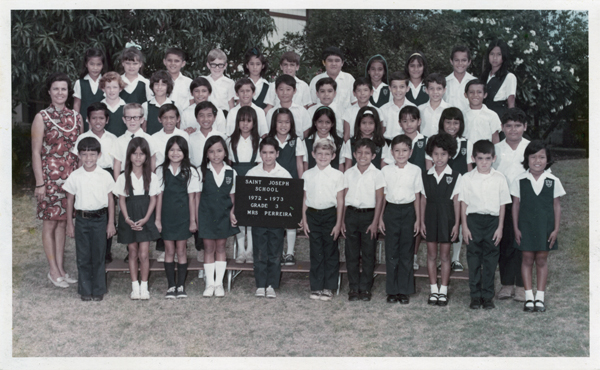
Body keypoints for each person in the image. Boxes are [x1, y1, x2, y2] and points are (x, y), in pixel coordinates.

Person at [32, 72, 83, 288]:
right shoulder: (41, 117)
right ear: (49, 92)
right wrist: (40, 183)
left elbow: (80, 150)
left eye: (63, 89)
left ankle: (61, 268)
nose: (60, 93)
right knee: (50, 223)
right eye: (56, 89)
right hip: (50, 177)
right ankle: (52, 270)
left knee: (63, 223)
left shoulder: (76, 117)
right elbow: (35, 152)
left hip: (70, 177)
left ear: (68, 92)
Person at [511, 141, 565, 313]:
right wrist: (516, 228)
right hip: (525, 226)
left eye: (541, 157)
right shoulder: (519, 180)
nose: (537, 161)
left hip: (545, 227)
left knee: (541, 260)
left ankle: (539, 297)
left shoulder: (553, 180)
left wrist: (556, 229)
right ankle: (528, 297)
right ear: (527, 159)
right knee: (526, 259)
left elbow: (556, 206)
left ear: (547, 159)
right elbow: (515, 206)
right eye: (533, 157)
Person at [459, 140, 511, 310]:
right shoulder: (467, 178)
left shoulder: (499, 178)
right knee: (473, 258)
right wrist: (465, 227)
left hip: (492, 222)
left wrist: (500, 227)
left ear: (494, 158)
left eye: (487, 158)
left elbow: (503, 204)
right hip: (473, 220)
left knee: (490, 259)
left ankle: (487, 296)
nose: (484, 162)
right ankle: (475, 296)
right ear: (473, 158)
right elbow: (464, 204)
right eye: (480, 158)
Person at [64, 137, 116, 301]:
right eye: (84, 155)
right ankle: (85, 290)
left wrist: (110, 223)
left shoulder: (104, 175)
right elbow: (70, 200)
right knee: (83, 255)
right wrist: (69, 225)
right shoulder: (75, 176)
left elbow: (110, 200)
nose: (88, 159)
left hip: (100, 219)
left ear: (99, 155)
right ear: (79, 155)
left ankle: (98, 289)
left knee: (99, 255)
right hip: (82, 220)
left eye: (92, 154)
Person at [379, 135, 423, 304]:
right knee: (391, 252)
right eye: (397, 150)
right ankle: (392, 290)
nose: (401, 154)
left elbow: (417, 196)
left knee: (406, 252)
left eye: (404, 150)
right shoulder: (386, 170)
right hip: (391, 211)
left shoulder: (415, 170)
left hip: (408, 211)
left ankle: (404, 290)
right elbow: (382, 196)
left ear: (410, 152)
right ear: (391, 152)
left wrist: (418, 219)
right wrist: (381, 218)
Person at [115, 137, 161, 300]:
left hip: (145, 216)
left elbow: (154, 199)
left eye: (142, 154)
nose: (138, 157)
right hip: (129, 217)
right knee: (133, 252)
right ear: (129, 156)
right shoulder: (123, 176)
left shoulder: (152, 177)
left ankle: (144, 286)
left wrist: (147, 218)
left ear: (146, 156)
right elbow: (121, 199)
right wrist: (127, 218)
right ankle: (134, 287)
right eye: (134, 153)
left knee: (143, 254)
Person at [246, 137, 293, 298]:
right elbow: (246, 198)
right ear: (260, 154)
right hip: (258, 221)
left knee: (274, 252)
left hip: (276, 222)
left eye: (271, 152)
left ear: (277, 154)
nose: (268, 156)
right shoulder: (252, 173)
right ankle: (260, 284)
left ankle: (272, 284)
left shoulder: (284, 174)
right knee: (259, 252)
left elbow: (289, 200)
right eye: (264, 152)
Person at [72, 102, 118, 263]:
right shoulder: (82, 138)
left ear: (107, 120)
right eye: (94, 118)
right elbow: (79, 163)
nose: (97, 121)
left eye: (101, 118)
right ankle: (90, 250)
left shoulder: (112, 138)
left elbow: (116, 163)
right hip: (86, 174)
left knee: (106, 212)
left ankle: (105, 251)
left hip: (106, 175)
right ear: (87, 120)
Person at [155, 136, 200, 299]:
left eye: (179, 150)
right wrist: (158, 219)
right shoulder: (160, 170)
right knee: (169, 250)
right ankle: (171, 286)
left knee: (181, 250)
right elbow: (158, 196)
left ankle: (180, 285)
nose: (175, 153)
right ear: (167, 152)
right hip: (167, 216)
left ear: (185, 152)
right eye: (172, 149)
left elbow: (192, 198)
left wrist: (193, 220)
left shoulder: (191, 171)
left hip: (183, 217)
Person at [493, 108, 530, 302]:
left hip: (526, 202)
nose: (513, 130)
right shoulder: (497, 149)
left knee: (524, 244)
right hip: (504, 203)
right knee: (506, 243)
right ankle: (507, 283)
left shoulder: (531, 147)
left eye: (517, 125)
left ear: (525, 126)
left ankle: (523, 285)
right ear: (502, 128)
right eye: (508, 126)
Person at [301, 138, 345, 301]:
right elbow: (304, 199)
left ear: (333, 156)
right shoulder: (307, 174)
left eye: (327, 154)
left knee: (330, 251)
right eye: (319, 153)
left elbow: (340, 200)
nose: (323, 156)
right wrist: (304, 220)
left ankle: (328, 287)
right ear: (313, 154)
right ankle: (317, 286)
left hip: (330, 215)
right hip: (312, 215)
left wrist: (339, 223)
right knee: (316, 251)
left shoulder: (338, 175)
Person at [420, 133, 461, 306]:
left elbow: (457, 201)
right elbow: (423, 200)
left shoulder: (456, 175)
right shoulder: (425, 175)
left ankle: (443, 290)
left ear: (450, 154)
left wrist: (457, 224)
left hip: (447, 217)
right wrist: (421, 221)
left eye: (443, 154)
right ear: (431, 154)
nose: (439, 158)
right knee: (431, 255)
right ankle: (433, 289)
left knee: (445, 256)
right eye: (436, 154)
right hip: (430, 216)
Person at [342, 138, 385, 301]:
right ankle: (353, 287)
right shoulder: (348, 173)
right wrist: (343, 221)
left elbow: (380, 199)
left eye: (367, 153)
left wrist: (375, 222)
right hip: (351, 215)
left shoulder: (378, 174)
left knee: (368, 253)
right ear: (354, 154)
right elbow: (344, 198)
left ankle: (365, 287)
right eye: (359, 152)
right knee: (351, 253)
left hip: (369, 216)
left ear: (373, 155)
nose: (362, 156)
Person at [197, 136, 239, 298]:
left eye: (219, 151)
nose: (216, 155)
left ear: (225, 152)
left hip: (223, 214)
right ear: (206, 154)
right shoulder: (202, 172)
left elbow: (233, 196)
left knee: (221, 247)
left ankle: (219, 284)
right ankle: (209, 284)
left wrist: (232, 211)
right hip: (207, 214)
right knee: (208, 248)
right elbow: (198, 197)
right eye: (212, 151)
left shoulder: (231, 171)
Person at [267, 108, 306, 265]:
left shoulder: (297, 141)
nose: (283, 125)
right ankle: (277, 251)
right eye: (280, 122)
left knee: (290, 220)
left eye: (287, 122)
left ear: (292, 124)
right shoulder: (269, 140)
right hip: (272, 186)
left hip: (291, 186)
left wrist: (300, 185)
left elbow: (299, 165)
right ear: (274, 123)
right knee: (275, 220)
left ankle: (290, 252)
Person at [438, 107, 473, 271]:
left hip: (460, 188)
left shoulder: (466, 143)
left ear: (461, 124)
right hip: (442, 187)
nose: (452, 126)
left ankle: (455, 258)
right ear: (442, 123)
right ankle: (442, 258)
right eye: (448, 122)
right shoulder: (436, 141)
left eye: (456, 123)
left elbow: (469, 168)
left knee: (458, 223)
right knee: (442, 222)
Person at [399, 105, 433, 270]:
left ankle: (413, 255)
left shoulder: (425, 141)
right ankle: (401, 254)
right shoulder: (396, 141)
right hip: (401, 188)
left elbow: (428, 167)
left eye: (412, 120)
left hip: (420, 188)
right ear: (400, 123)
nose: (409, 124)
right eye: (405, 121)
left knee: (417, 221)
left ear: (419, 121)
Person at [228, 106, 261, 264]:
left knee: (253, 216)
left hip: (254, 178)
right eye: (242, 120)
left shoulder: (259, 141)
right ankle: (241, 250)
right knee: (239, 215)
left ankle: (251, 250)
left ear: (254, 123)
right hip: (237, 177)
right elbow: (228, 164)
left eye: (249, 121)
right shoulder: (231, 140)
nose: (245, 124)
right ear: (237, 122)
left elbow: (262, 164)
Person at [110, 103, 158, 182]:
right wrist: (118, 185)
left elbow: (152, 162)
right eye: (128, 117)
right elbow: (117, 165)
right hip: (125, 179)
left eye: (136, 117)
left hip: (144, 179)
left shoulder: (149, 139)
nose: (132, 121)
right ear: (124, 119)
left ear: (142, 119)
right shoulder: (118, 141)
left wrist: (150, 181)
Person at [481, 39, 517, 125]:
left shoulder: (509, 77)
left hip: (499, 118)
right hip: (483, 117)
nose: (495, 58)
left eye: (499, 54)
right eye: (492, 54)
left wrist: (509, 124)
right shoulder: (484, 76)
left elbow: (511, 104)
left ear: (504, 56)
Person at [73, 48, 108, 131]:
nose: (95, 68)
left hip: (103, 126)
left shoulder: (107, 83)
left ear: (103, 65)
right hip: (84, 125)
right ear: (86, 64)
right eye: (92, 64)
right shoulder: (80, 83)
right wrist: (76, 123)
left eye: (98, 64)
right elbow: (77, 104)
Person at [303, 106, 345, 171]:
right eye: (320, 121)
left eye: (327, 122)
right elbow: (306, 164)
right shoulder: (307, 142)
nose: (324, 125)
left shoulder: (339, 142)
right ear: (315, 122)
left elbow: (340, 165)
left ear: (332, 124)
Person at [463, 79, 501, 144]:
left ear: (485, 95)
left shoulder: (492, 115)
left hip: (485, 153)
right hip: (466, 152)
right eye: (471, 92)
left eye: (479, 92)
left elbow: (496, 140)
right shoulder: (461, 114)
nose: (475, 95)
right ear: (466, 95)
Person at [381, 71, 416, 140]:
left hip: (407, 145)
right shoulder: (383, 109)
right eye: (394, 87)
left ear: (407, 88)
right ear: (390, 88)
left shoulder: (413, 108)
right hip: (388, 144)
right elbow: (382, 132)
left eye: (402, 87)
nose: (398, 90)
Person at [444, 45, 477, 115]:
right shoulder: (444, 82)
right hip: (449, 122)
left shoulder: (475, 82)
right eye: (456, 60)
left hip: (470, 122)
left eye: (464, 60)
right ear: (451, 61)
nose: (460, 63)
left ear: (469, 62)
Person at [142, 70, 175, 135]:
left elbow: (178, 127)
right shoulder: (146, 105)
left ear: (168, 86)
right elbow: (144, 128)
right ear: (152, 86)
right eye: (156, 84)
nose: (159, 87)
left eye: (163, 84)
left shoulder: (175, 105)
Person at [204, 48, 235, 114]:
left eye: (220, 65)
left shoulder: (229, 83)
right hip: (206, 116)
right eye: (213, 65)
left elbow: (231, 106)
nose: (217, 68)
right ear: (208, 65)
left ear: (225, 65)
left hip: (223, 116)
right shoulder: (204, 81)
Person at [418, 73, 450, 138]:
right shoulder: (420, 109)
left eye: (439, 88)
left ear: (444, 90)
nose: (435, 92)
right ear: (426, 90)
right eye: (431, 88)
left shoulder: (449, 109)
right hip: (425, 145)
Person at [163, 47, 193, 114]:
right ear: (164, 62)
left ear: (183, 64)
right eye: (169, 60)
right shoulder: (159, 81)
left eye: (177, 61)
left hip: (183, 119)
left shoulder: (189, 82)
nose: (173, 63)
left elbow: (192, 102)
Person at [99, 72, 128, 137]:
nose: (111, 90)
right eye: (108, 87)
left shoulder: (126, 108)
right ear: (103, 89)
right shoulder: (98, 108)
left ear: (120, 88)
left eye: (115, 87)